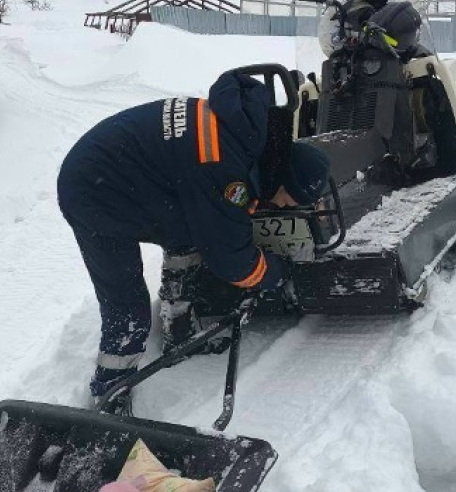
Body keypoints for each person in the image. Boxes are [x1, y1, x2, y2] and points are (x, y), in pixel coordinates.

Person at [57, 69, 331, 410]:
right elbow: (232, 261)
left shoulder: (245, 133)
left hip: (123, 170)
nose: (281, 207)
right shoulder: (227, 170)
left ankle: (179, 326)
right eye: (287, 200)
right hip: (93, 191)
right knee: (128, 309)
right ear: (283, 180)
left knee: (192, 233)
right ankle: (108, 398)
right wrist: (276, 271)